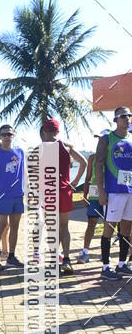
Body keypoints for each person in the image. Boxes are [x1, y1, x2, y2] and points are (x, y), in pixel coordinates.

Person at [39, 118, 86, 276]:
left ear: (44, 132)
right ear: (57, 131)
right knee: (64, 227)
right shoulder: (66, 146)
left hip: (49, 192)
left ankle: (54, 262)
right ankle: (66, 259)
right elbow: (84, 163)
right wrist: (75, 182)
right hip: (65, 191)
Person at [94, 107, 132, 280]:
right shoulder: (107, 139)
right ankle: (105, 267)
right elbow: (98, 165)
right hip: (114, 191)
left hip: (129, 190)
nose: (127, 118)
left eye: (130, 115)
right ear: (116, 119)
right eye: (124, 116)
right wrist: (101, 191)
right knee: (109, 227)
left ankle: (122, 264)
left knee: (126, 227)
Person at [0, 124, 26, 271]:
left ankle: (11, 257)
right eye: (4, 134)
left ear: (13, 135)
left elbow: (24, 173)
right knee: (0, 227)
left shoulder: (20, 152)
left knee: (15, 227)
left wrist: (28, 190)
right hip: (3, 196)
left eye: (9, 134)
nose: (7, 137)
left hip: (18, 195)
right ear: (0, 137)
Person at [78, 144, 105, 262]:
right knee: (91, 223)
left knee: (108, 225)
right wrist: (84, 195)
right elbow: (88, 177)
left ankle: (105, 253)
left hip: (109, 195)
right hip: (94, 197)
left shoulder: (112, 156)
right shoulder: (92, 157)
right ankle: (85, 252)